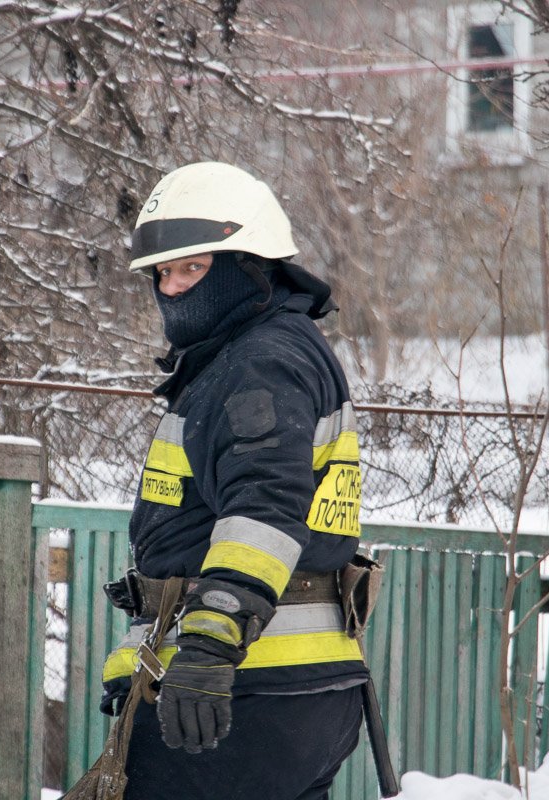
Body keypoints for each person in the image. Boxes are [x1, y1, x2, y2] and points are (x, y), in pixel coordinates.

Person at [98, 161, 369, 800]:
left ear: (251, 265)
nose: (173, 288)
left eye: (193, 268)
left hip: (240, 695)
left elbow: (265, 510)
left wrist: (207, 648)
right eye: (163, 274)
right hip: (292, 694)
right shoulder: (267, 352)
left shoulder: (259, 365)